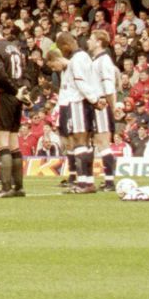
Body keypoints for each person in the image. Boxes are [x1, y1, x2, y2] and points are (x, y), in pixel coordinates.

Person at [0, 26, 29, 199]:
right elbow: (24, 72)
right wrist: (21, 91)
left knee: (2, 143)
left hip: (1, 96)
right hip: (16, 98)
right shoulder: (14, 48)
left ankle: (6, 187)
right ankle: (18, 187)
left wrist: (14, 90)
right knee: (14, 142)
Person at [50, 32, 100, 194]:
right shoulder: (85, 57)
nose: (63, 53)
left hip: (78, 103)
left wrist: (94, 100)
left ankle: (84, 183)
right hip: (84, 103)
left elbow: (80, 82)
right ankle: (87, 181)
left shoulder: (77, 60)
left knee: (79, 141)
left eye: (61, 49)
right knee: (85, 143)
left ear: (66, 46)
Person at [89, 30, 121, 192]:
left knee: (103, 143)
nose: (88, 41)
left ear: (99, 42)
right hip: (95, 103)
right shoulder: (96, 60)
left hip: (101, 103)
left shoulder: (104, 61)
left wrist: (113, 106)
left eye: (91, 39)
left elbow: (109, 87)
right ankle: (106, 180)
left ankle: (110, 181)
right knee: (97, 142)